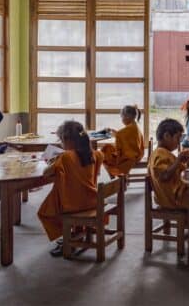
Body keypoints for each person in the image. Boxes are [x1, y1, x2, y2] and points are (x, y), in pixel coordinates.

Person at [37, 120, 111, 257]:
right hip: (93, 200)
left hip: (75, 204)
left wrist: (54, 161)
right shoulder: (95, 154)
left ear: (67, 139)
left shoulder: (66, 157)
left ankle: (68, 239)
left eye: (61, 140)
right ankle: (74, 235)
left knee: (45, 212)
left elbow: (46, 173)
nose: (61, 144)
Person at [100, 105, 145, 177]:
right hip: (137, 154)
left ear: (128, 116)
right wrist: (116, 133)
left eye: (122, 117)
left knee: (105, 151)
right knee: (108, 147)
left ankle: (112, 176)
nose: (122, 119)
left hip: (129, 157)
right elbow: (126, 137)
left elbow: (119, 147)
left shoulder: (127, 130)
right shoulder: (134, 126)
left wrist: (117, 135)